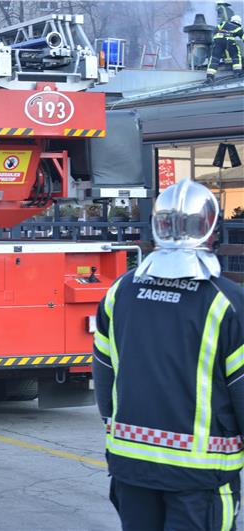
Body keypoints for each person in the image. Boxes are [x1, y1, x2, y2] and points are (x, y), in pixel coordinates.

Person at [93, 179, 244, 530]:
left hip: (130, 466)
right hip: (200, 475)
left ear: (157, 226)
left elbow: (103, 375)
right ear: (212, 229)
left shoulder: (121, 292)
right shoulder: (226, 302)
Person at [207, 11, 243, 82]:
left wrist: (215, 39)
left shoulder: (224, 23)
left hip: (218, 41)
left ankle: (210, 76)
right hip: (229, 41)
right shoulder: (238, 28)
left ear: (231, 20)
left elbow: (215, 30)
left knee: (214, 58)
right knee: (236, 54)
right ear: (239, 22)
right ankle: (237, 72)